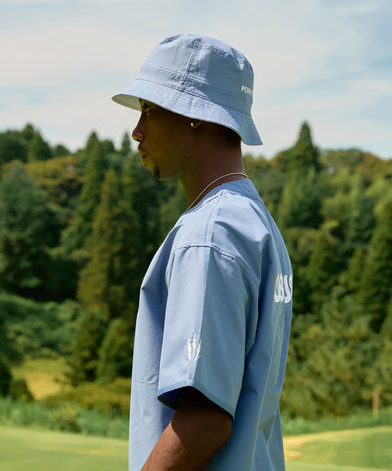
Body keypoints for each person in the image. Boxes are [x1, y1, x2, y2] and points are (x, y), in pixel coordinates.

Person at [112, 33, 293, 471]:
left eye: (149, 111)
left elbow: (205, 421)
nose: (136, 131)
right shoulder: (254, 221)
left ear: (193, 116)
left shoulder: (208, 234)